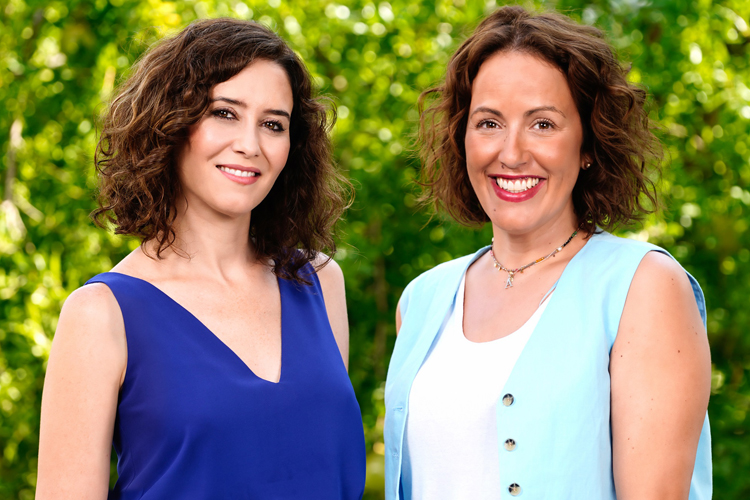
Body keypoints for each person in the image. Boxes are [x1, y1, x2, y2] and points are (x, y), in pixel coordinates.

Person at [385, 6, 711, 500]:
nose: (512, 153)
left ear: (588, 144)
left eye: (542, 124)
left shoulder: (644, 287)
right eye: (489, 123)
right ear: (462, 138)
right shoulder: (421, 299)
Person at [36, 18, 365, 499]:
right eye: (225, 113)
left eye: (273, 124)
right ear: (171, 122)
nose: (250, 145)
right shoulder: (101, 314)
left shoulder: (317, 282)